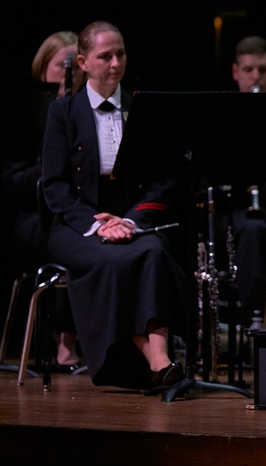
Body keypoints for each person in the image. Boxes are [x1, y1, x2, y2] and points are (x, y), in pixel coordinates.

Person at [41, 21, 189, 389]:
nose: (115, 63)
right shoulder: (63, 112)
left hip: (131, 216)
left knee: (153, 250)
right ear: (83, 62)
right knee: (112, 258)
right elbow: (55, 186)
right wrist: (99, 223)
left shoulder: (142, 108)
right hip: (77, 223)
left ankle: (159, 360)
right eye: (104, 56)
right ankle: (147, 361)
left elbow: (163, 180)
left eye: (120, 54)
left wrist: (129, 220)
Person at [3, 31, 84, 372]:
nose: (70, 73)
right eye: (61, 64)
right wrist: (46, 167)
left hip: (76, 212)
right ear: (43, 68)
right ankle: (65, 340)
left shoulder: (88, 110)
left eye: (75, 65)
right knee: (63, 235)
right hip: (30, 218)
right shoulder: (28, 111)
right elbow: (10, 181)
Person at [224, 35, 266, 326]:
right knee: (251, 231)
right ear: (236, 72)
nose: (256, 76)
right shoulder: (226, 116)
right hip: (241, 211)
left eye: (262, 69)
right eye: (248, 70)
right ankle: (256, 322)